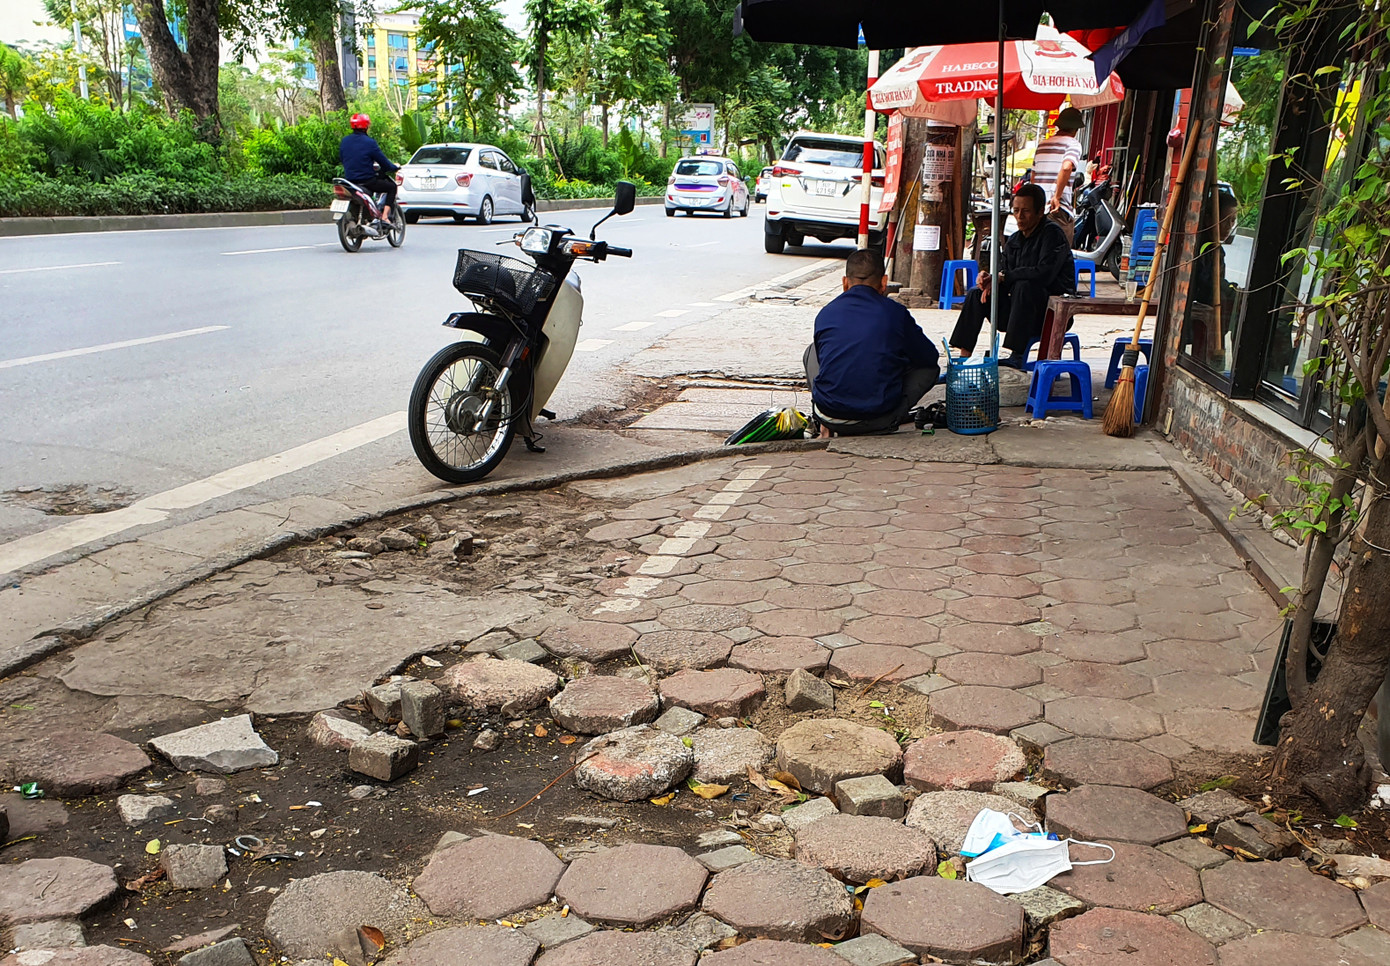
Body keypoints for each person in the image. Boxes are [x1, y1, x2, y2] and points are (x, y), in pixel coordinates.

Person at [803, 248, 940, 436]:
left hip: (829, 414)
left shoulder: (826, 312)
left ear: (844, 282)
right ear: (884, 283)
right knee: (930, 369)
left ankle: (823, 424)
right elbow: (929, 357)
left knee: (811, 352)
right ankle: (891, 418)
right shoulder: (896, 313)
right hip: (879, 419)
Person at [949, 183, 1075, 368]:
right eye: (1016, 210)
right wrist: (990, 280)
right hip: (1016, 313)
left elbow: (1044, 274)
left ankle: (1016, 356)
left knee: (1025, 285)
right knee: (977, 294)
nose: (1019, 216)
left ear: (1040, 212)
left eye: (1026, 211)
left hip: (1048, 313)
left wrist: (1004, 277)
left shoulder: (1053, 235)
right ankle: (963, 359)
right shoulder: (1015, 239)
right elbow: (1004, 272)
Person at [1033, 107, 1086, 242]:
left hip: (1038, 210)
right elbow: (1067, 167)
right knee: (1059, 256)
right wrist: (1056, 196)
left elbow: (1033, 176)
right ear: (1075, 129)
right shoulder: (1073, 144)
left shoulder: (1042, 145)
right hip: (1057, 208)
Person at [339, 113, 399, 229]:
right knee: (392, 187)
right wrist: (393, 168)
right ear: (366, 126)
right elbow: (383, 162)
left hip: (350, 181)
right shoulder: (369, 142)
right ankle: (385, 217)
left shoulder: (345, 141)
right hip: (367, 181)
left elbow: (342, 158)